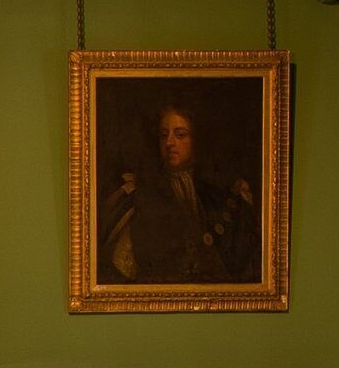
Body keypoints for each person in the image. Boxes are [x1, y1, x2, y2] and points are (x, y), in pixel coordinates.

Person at [100, 89, 257, 285]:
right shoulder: (142, 195)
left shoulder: (218, 193)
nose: (169, 142)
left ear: (195, 140)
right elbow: (124, 269)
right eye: (163, 135)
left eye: (180, 135)